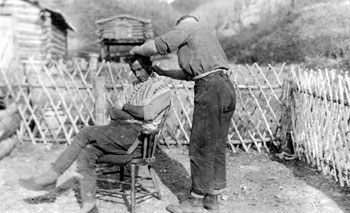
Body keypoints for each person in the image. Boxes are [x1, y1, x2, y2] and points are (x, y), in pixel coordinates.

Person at [18, 55, 172, 213]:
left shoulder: (161, 87)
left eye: (140, 69)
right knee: (86, 152)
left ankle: (51, 176)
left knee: (85, 132)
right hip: (119, 134)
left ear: (149, 65)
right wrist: (133, 113)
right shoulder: (132, 86)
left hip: (139, 139)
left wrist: (126, 107)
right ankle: (89, 205)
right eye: (133, 70)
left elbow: (147, 114)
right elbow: (114, 112)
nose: (137, 74)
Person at [129, 15, 236, 213]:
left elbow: (159, 46)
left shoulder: (188, 27)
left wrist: (136, 49)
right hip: (226, 87)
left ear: (182, 24)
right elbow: (190, 74)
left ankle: (194, 202)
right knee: (217, 145)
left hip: (210, 89)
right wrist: (165, 73)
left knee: (200, 145)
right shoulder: (207, 37)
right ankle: (212, 198)